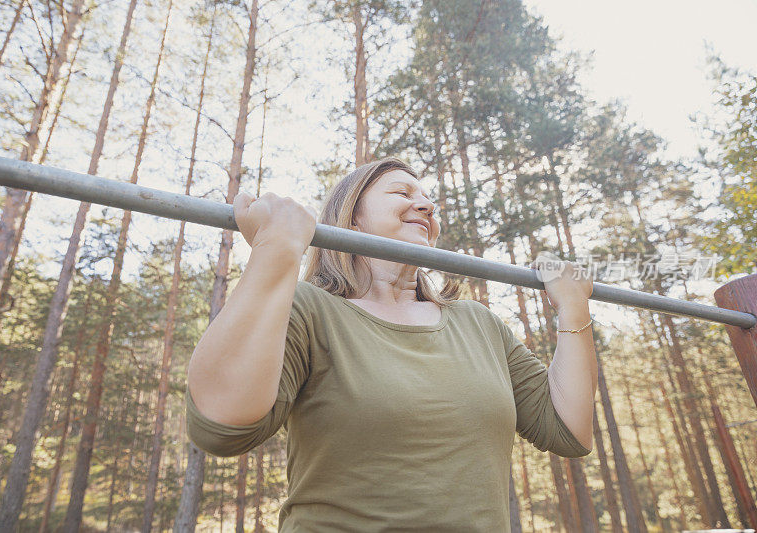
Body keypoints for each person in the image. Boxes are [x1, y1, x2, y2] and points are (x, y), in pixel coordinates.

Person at [185, 157, 597, 532]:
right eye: (402, 193)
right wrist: (276, 248)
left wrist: (573, 308)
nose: (427, 205)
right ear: (353, 220)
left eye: (427, 199)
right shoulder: (310, 309)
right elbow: (222, 425)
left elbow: (567, 432)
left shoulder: (479, 323)